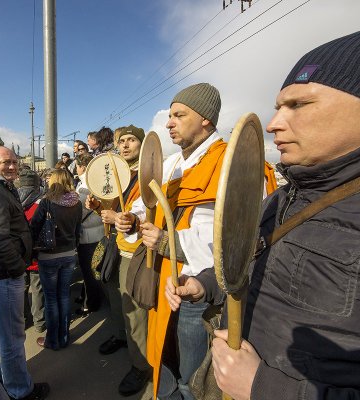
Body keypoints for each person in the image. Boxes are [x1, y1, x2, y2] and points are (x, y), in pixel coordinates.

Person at [166, 26, 360, 400]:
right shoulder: (287, 197)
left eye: (298, 105)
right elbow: (247, 257)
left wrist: (263, 386)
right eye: (278, 107)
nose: (274, 123)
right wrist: (206, 285)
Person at [115, 84, 276, 398]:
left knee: (195, 375)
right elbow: (146, 205)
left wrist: (169, 241)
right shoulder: (172, 164)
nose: (169, 123)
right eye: (170, 115)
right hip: (164, 283)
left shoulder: (236, 161)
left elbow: (242, 237)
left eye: (179, 115)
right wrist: (133, 221)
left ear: (206, 119)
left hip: (202, 291)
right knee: (163, 357)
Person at [0, 146, 50, 400]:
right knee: (12, 339)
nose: (13, 166)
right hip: (1, 275)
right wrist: (17, 268)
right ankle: (19, 391)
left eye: (15, 162)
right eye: (6, 162)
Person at [88, 125, 152, 396]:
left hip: (135, 253)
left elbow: (150, 215)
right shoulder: (120, 175)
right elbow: (112, 213)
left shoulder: (150, 175)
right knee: (115, 298)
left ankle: (141, 366)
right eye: (121, 141)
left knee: (134, 310)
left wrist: (123, 220)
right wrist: (99, 208)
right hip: (116, 247)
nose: (125, 145)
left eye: (132, 140)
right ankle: (121, 336)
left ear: (143, 144)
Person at [30, 169, 81, 350]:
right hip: (69, 254)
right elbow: (77, 230)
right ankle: (64, 336)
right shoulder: (76, 202)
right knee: (64, 296)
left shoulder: (47, 202)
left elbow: (34, 226)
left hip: (49, 255)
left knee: (51, 299)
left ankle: (53, 340)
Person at [73, 153, 104, 315]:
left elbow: (77, 212)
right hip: (98, 234)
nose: (76, 169)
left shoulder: (84, 187)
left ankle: (91, 304)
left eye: (76, 166)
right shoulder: (97, 182)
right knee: (93, 271)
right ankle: (88, 298)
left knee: (89, 273)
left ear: (82, 166)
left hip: (86, 237)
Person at [17, 169, 46, 333]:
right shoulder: (41, 204)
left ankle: (23, 320)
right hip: (37, 254)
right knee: (38, 289)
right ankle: (39, 322)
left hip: (19, 255)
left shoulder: (13, 202)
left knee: (21, 289)